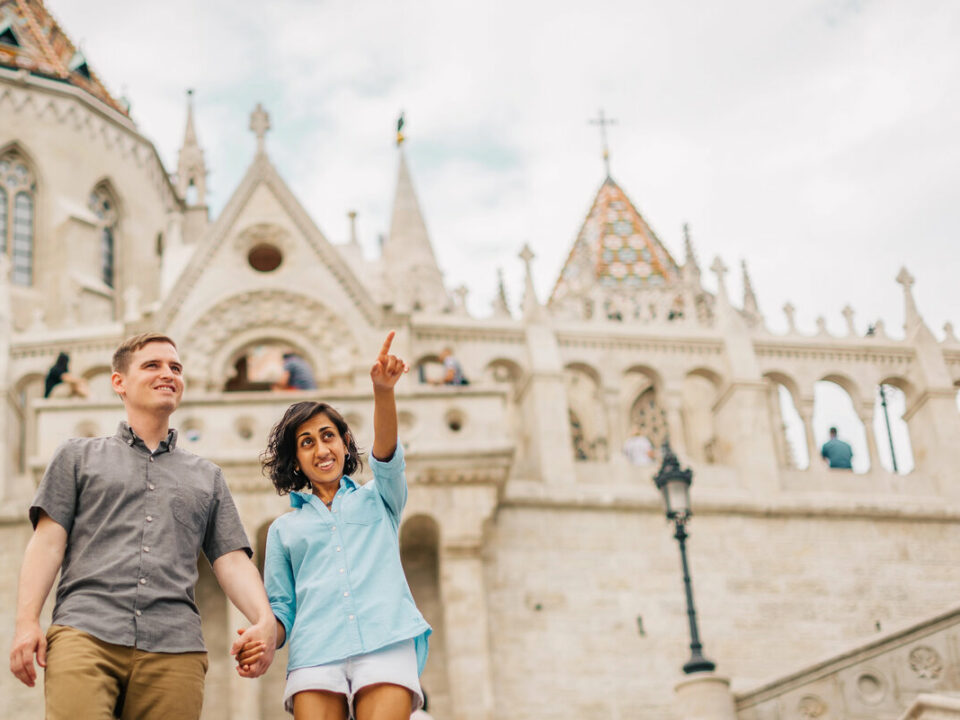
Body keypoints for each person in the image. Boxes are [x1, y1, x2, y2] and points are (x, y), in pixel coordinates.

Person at [8, 332, 277, 720]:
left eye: (175, 367)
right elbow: (47, 543)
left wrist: (264, 620)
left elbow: (232, 560)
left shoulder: (207, 477)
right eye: (152, 365)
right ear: (119, 382)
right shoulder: (76, 456)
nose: (168, 373)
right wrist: (26, 623)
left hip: (176, 647)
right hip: (86, 633)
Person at [256, 331, 431, 719]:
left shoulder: (380, 497)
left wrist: (383, 391)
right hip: (314, 652)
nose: (321, 449)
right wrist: (265, 635)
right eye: (306, 442)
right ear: (295, 459)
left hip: (386, 640)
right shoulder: (283, 530)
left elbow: (387, 456)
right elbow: (282, 608)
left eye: (327, 436)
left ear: (345, 442)